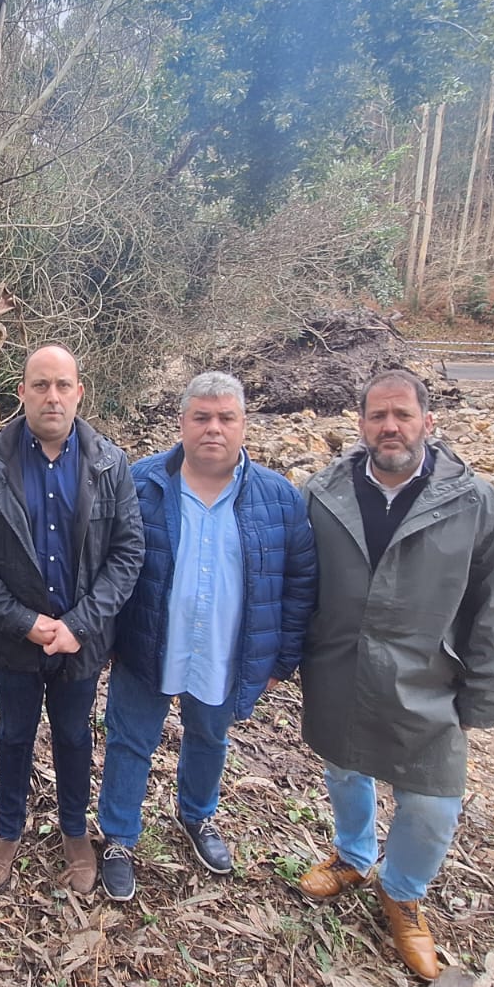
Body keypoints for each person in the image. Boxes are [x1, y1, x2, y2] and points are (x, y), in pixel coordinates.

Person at [295, 369, 494, 981]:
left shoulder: (474, 503)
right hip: (341, 667)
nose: (389, 426)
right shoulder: (324, 493)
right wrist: (288, 655)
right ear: (361, 423)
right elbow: (298, 585)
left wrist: (486, 693)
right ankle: (352, 855)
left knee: (431, 801)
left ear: (428, 421)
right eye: (377, 416)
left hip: (431, 677)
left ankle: (403, 894)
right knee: (344, 767)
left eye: (402, 414)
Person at [96, 372, 317, 901]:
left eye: (226, 418)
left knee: (210, 737)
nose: (213, 428)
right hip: (148, 643)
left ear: (244, 424)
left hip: (226, 649)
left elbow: (299, 582)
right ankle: (120, 837)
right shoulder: (141, 483)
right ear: (182, 423)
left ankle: (198, 816)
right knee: (130, 739)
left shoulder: (278, 499)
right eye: (201, 417)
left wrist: (279, 659)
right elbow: (106, 562)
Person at [0, 344, 144, 894]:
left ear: (80, 392)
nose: (52, 396)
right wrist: (23, 621)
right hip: (14, 640)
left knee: (73, 735)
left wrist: (77, 626)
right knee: (13, 734)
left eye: (63, 385)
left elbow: (128, 554)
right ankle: (7, 827)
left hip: (80, 640)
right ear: (23, 393)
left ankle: (74, 829)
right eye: (41, 385)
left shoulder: (109, 464)